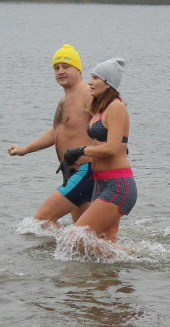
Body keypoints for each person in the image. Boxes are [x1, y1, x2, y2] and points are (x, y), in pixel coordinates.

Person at [8, 44, 95, 227]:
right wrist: (24, 150)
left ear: (79, 70)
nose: (60, 71)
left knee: (42, 220)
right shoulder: (65, 100)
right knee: (84, 232)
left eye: (66, 66)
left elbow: (109, 121)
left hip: (86, 170)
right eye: (56, 68)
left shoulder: (88, 93)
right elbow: (56, 132)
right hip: (72, 172)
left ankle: (58, 243)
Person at [59, 58, 135, 255]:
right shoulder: (100, 108)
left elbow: (112, 148)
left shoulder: (117, 107)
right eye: (91, 77)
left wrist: (80, 150)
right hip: (100, 183)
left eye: (95, 78)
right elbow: (98, 147)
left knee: (74, 237)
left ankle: (135, 258)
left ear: (108, 83)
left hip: (118, 185)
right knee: (104, 245)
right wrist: (71, 160)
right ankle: (120, 267)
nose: (90, 82)